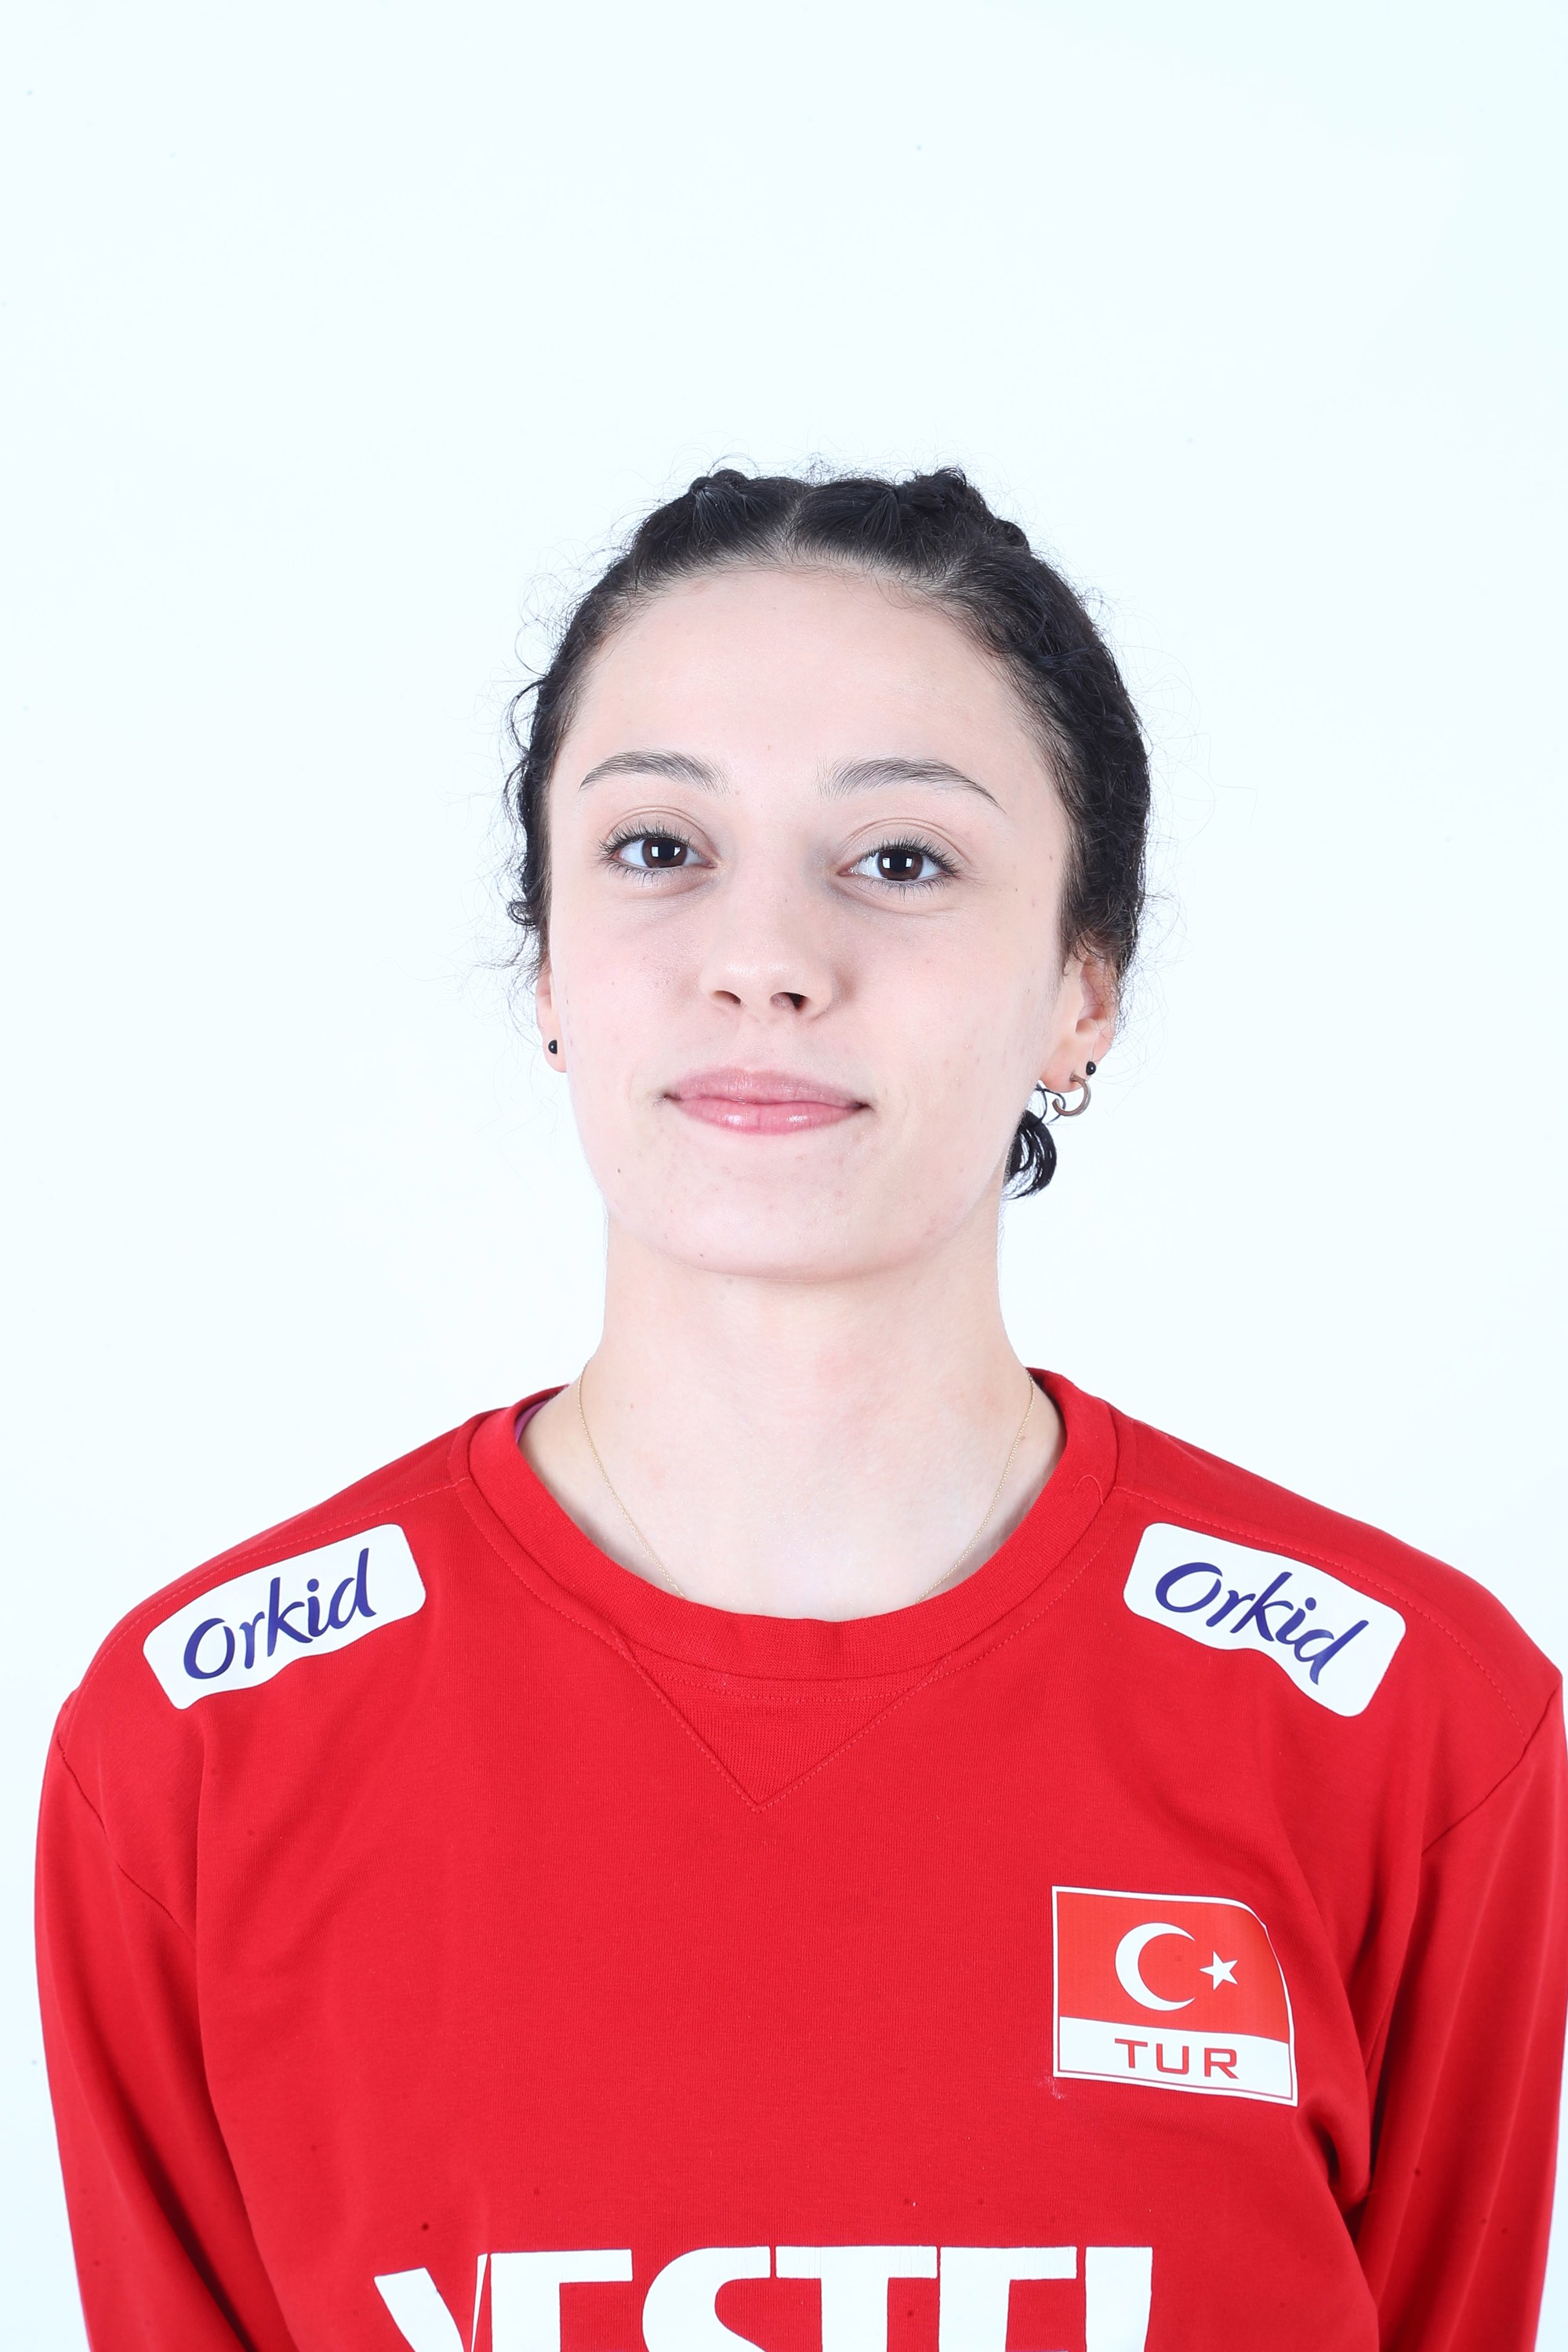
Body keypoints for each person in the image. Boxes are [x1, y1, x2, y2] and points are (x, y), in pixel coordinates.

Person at [36, 468, 1567, 2352]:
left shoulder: (1405, 1727)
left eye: (900, 860)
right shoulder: (203, 1750)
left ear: (1082, 986)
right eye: (657, 847)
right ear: (548, 967)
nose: (761, 958)